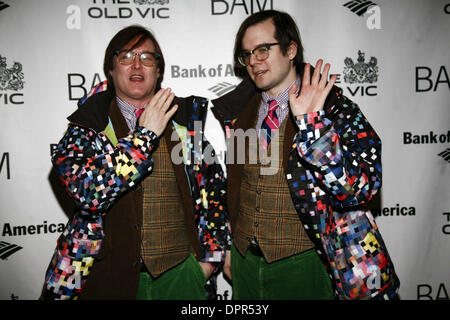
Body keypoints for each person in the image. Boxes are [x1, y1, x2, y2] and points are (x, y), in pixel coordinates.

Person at [211, 10, 399, 300]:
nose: (253, 61)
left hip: (310, 262)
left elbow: (364, 187)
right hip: (246, 264)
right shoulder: (237, 114)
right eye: (246, 54)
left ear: (290, 50)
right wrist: (231, 248)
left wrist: (313, 126)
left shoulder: (336, 109)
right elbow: (237, 188)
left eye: (263, 49)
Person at [41, 25, 230, 300]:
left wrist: (208, 262)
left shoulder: (185, 124)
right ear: (111, 69)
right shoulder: (86, 126)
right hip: (104, 277)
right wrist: (145, 137)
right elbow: (87, 194)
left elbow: (213, 193)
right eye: (126, 56)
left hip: (181, 276)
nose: (137, 65)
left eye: (147, 57)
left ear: (158, 69)